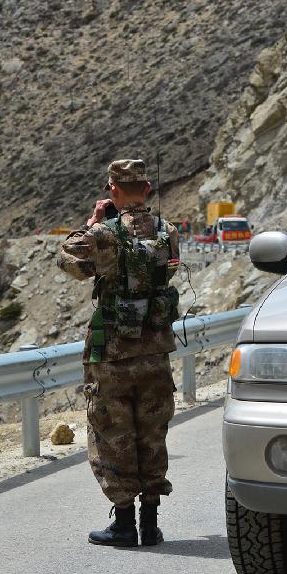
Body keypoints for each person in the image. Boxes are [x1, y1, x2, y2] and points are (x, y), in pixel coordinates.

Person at [57, 159, 181, 547]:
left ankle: (124, 524)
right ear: (146, 189)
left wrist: (93, 221)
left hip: (112, 356)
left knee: (114, 434)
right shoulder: (167, 232)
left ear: (112, 190)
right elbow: (169, 272)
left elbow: (69, 261)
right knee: (152, 433)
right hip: (155, 351)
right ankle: (150, 524)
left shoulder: (104, 234)